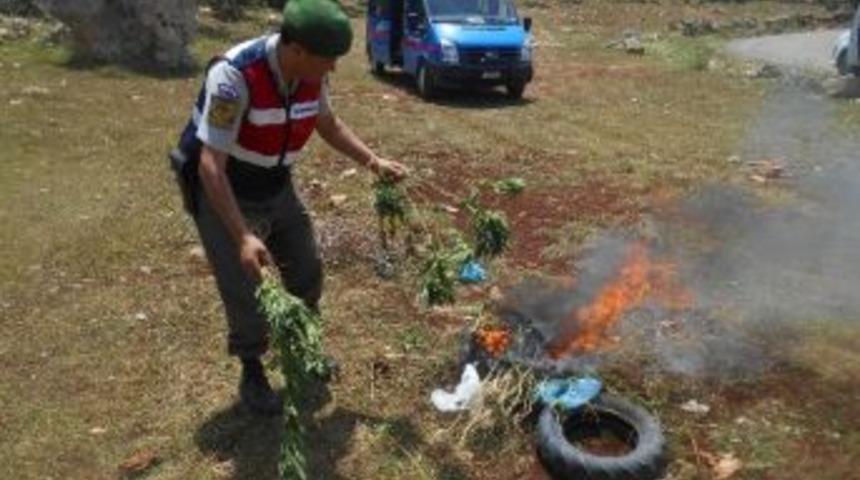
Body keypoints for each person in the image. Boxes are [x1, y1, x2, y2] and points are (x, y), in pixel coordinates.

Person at [172, 0, 407, 415]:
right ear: (296, 50)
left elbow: (328, 124)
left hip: (276, 184)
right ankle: (252, 370)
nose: (332, 69)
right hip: (226, 190)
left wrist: (373, 161)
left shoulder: (309, 77)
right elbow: (211, 165)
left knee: (306, 267)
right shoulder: (234, 76)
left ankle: (304, 349)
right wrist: (243, 235)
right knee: (248, 287)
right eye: (327, 60)